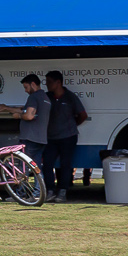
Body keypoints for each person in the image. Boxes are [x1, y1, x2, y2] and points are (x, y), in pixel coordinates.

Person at [44, 70, 89, 202]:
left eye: (49, 82)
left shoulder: (70, 97)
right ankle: (50, 190)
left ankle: (62, 191)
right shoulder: (47, 97)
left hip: (68, 137)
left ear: (58, 82)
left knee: (66, 164)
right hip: (50, 137)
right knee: (47, 164)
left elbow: (83, 115)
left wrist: (71, 125)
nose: (46, 84)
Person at [14, 73, 50, 192]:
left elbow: (29, 115)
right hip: (41, 138)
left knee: (23, 166)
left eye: (26, 87)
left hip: (30, 138)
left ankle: (20, 193)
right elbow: (27, 110)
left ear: (33, 84)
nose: (25, 90)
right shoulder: (45, 97)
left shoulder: (33, 97)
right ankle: (38, 192)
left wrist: (18, 116)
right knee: (37, 168)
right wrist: (8, 108)